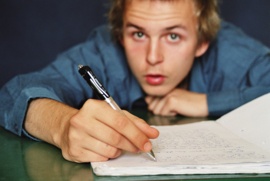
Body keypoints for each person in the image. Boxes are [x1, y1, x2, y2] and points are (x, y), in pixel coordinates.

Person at [1, 0, 270, 163]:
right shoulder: (104, 52)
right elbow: (12, 93)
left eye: (173, 36)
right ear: (120, 34)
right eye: (138, 34)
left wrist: (206, 102)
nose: (153, 57)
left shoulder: (231, 50)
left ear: (202, 41)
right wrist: (61, 126)